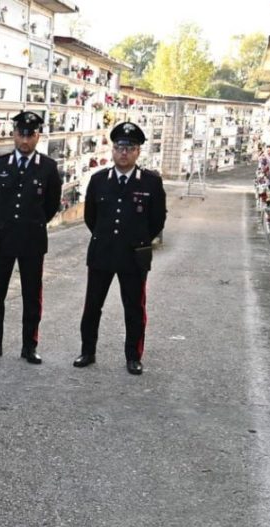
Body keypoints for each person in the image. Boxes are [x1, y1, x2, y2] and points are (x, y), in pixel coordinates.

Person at [73, 121, 166, 375]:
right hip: (102, 253)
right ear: (112, 150)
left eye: (130, 148)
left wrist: (138, 240)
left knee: (134, 308)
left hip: (133, 255)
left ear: (138, 152)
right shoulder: (99, 180)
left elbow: (157, 220)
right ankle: (87, 351)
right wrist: (106, 238)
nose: (123, 153)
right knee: (92, 306)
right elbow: (91, 217)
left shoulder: (150, 182)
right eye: (119, 148)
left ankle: (133, 356)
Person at [0, 111, 62, 363]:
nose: (25, 140)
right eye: (21, 134)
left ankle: (29, 346)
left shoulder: (48, 167)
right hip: (1, 239)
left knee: (32, 296)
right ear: (14, 134)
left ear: (38, 136)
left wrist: (31, 224)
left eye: (31, 135)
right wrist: (3, 222)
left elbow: (51, 205)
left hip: (32, 240)